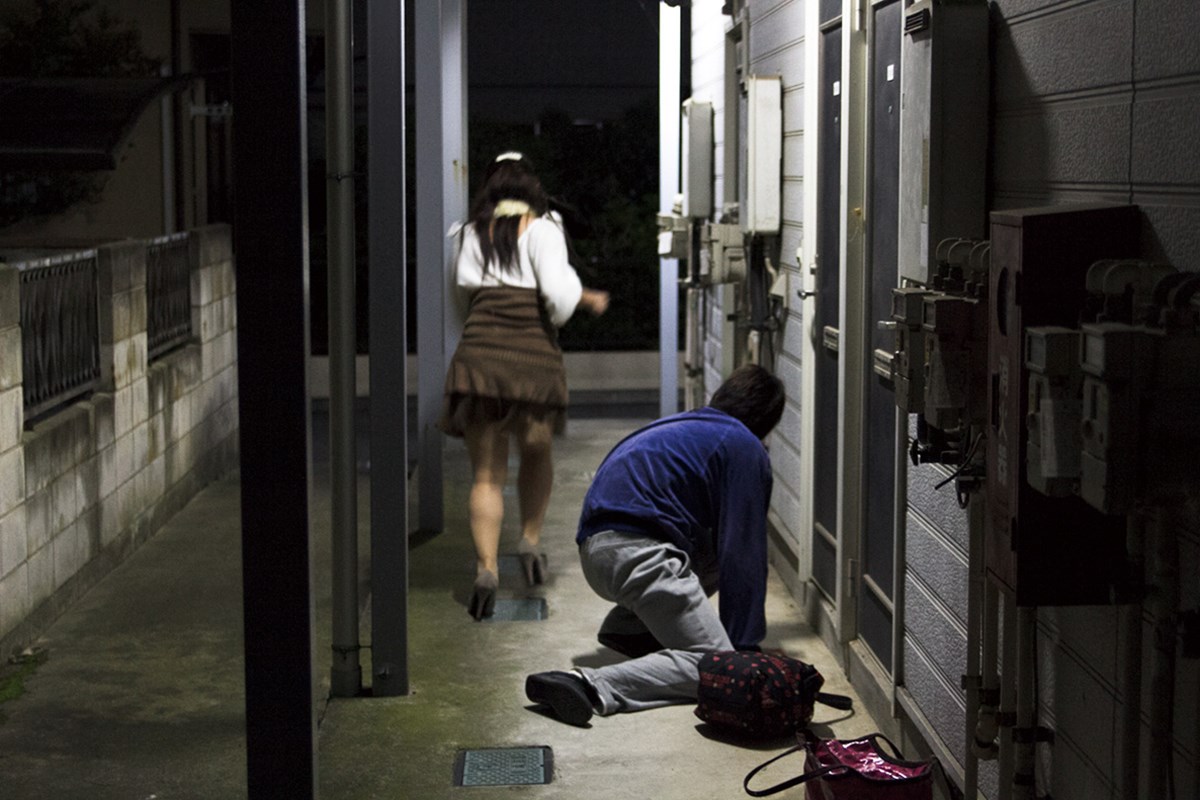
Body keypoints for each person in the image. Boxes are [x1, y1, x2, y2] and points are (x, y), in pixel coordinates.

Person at [524, 364, 786, 725]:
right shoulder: (744, 445)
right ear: (767, 422)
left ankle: (632, 628)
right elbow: (743, 553)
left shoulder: (683, 426)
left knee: (710, 554)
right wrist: (743, 652)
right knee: (716, 669)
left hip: (596, 553)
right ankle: (586, 684)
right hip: (638, 551)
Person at [439, 151, 609, 621]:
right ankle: (530, 542)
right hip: (532, 357)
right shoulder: (544, 229)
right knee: (536, 452)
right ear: (533, 189)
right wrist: (579, 302)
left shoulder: (467, 233)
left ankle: (487, 568)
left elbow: (460, 301)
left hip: (480, 355)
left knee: (486, 475)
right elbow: (556, 295)